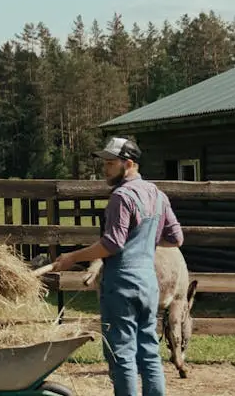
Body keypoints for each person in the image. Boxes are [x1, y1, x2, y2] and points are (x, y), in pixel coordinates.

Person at [49, 136, 183, 396]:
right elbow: (176, 238)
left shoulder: (121, 197)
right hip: (147, 283)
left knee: (121, 353)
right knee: (148, 351)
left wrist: (71, 258)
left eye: (110, 163)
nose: (105, 168)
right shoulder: (157, 195)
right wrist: (145, 243)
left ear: (129, 164)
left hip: (121, 285)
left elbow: (111, 245)